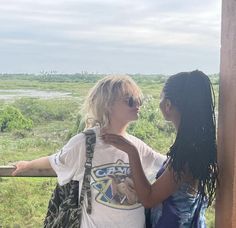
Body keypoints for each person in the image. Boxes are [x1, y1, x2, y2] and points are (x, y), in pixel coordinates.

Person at [12, 75, 166, 228]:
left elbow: (167, 164)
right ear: (108, 105)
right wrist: (27, 165)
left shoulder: (136, 145)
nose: (137, 104)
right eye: (130, 100)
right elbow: (55, 160)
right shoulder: (85, 142)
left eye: (139, 99)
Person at [102, 70, 218, 227]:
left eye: (161, 97)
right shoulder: (194, 146)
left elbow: (148, 199)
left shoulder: (186, 157)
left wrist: (132, 151)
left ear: (168, 105)